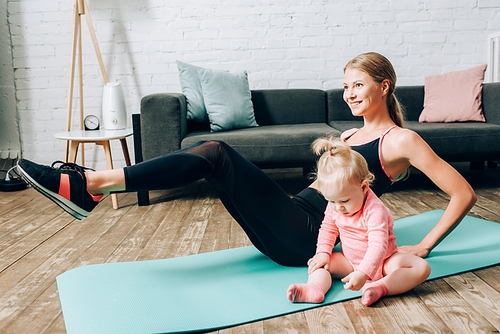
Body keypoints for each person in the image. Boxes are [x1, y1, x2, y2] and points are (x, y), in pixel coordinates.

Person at [16, 52, 476, 267]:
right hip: (292, 218)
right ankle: (93, 187)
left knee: (216, 152)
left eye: (358, 84)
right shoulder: (350, 132)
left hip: (308, 239)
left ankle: (94, 185)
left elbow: (463, 192)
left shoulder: (401, 141)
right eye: (346, 84)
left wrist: (425, 245)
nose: (349, 93)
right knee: (211, 160)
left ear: (384, 86)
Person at [286, 137, 431, 306]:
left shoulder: (375, 210)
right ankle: (315, 289)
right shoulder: (335, 205)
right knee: (321, 263)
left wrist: (364, 273)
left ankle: (381, 287)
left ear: (364, 187)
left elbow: (378, 245)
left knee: (422, 268)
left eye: (344, 201)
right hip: (349, 261)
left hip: (384, 263)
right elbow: (328, 228)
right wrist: (323, 253)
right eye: (331, 201)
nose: (338, 207)